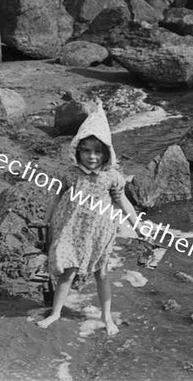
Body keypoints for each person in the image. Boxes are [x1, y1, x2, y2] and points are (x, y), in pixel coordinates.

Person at [37, 102, 141, 335]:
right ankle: (55, 312)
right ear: (78, 151)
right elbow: (54, 198)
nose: (92, 156)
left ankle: (106, 317)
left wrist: (137, 225)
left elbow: (122, 201)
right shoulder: (69, 174)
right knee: (67, 272)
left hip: (99, 232)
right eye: (86, 151)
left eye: (97, 151)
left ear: (106, 154)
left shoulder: (111, 177)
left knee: (101, 274)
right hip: (69, 229)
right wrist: (46, 222)